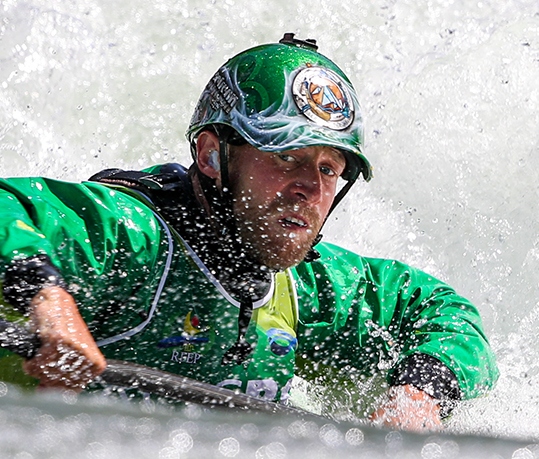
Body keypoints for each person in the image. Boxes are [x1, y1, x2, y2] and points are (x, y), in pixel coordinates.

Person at [0, 33, 498, 432]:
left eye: (329, 169)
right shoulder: (135, 237)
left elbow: (441, 310)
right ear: (213, 155)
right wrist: (49, 304)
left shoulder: (308, 286)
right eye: (286, 158)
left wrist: (420, 393)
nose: (310, 188)